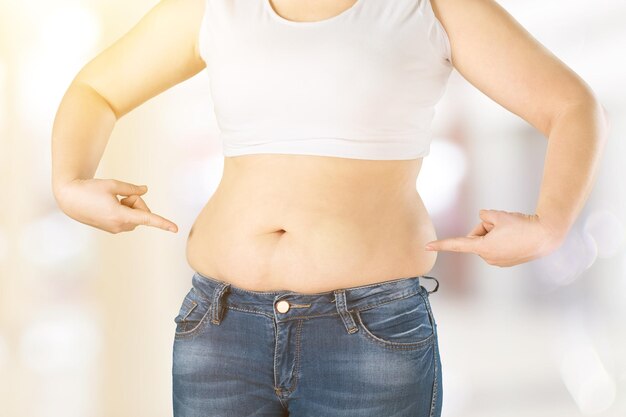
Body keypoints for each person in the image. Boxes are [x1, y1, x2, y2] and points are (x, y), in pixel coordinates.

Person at [50, 0, 610, 416]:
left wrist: (551, 225)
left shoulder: (430, 5)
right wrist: (69, 181)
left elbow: (571, 105)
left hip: (368, 334)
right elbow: (95, 91)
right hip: (219, 330)